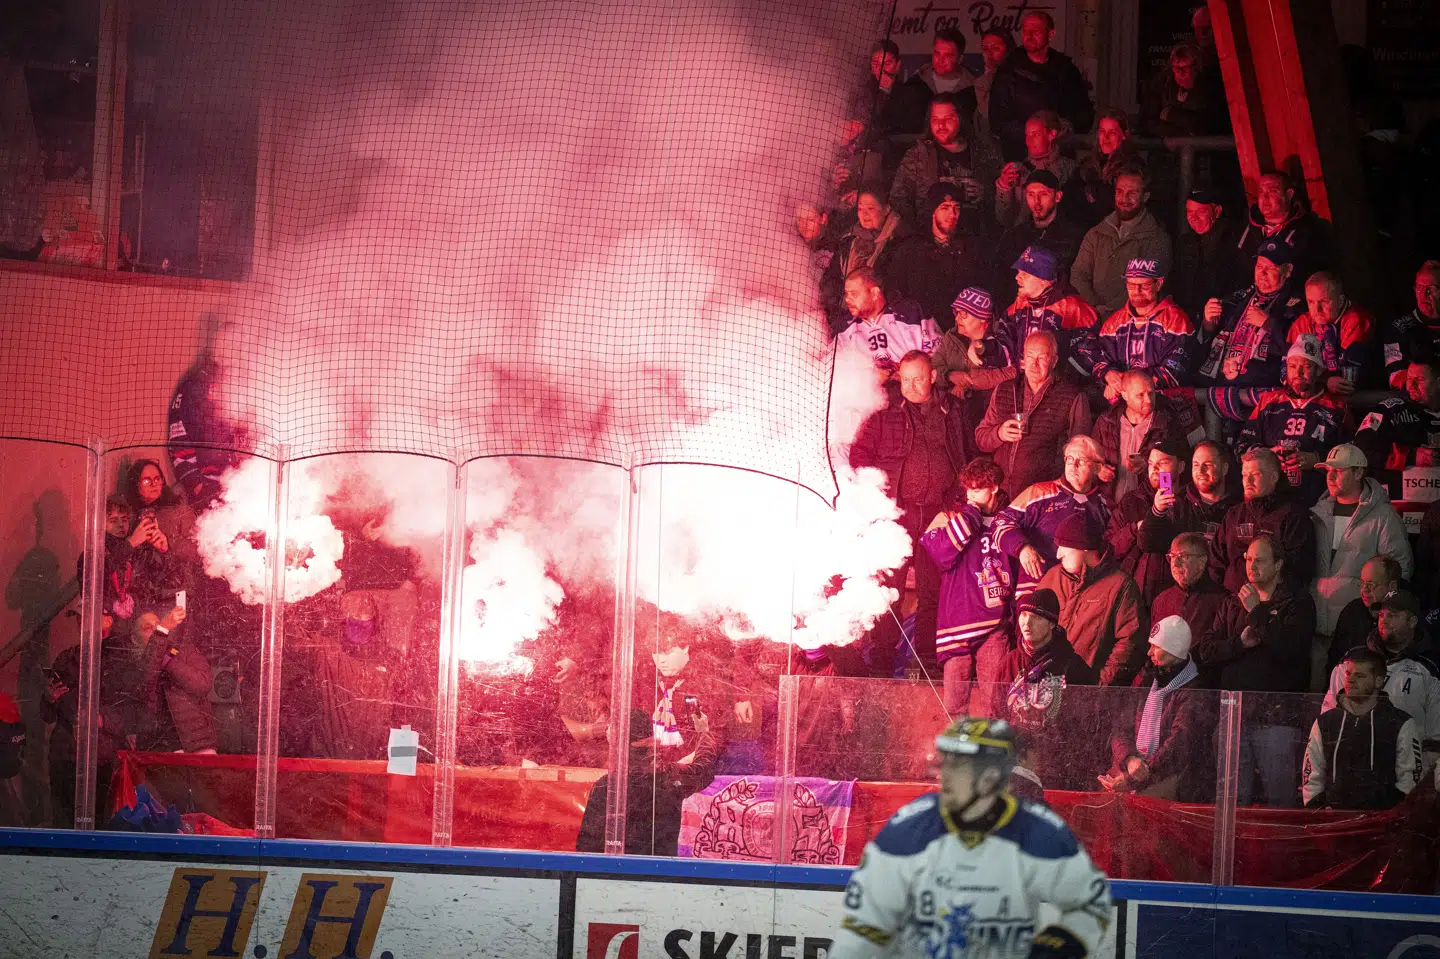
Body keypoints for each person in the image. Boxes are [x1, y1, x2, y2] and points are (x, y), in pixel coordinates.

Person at [833, 718, 1112, 959]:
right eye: (947, 763)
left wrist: (1056, 947)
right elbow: (864, 921)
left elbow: (1091, 901)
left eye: (962, 766)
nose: (947, 776)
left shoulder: (1039, 827)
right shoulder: (910, 826)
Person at [851, 351, 970, 671]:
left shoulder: (951, 409)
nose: (912, 386)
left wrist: (957, 502)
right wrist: (876, 495)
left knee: (932, 592)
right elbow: (859, 453)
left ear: (932, 376)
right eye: (905, 380)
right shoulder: (885, 411)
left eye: (918, 379)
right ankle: (881, 660)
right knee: (889, 588)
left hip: (937, 515)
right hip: (896, 515)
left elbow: (964, 456)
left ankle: (928, 661)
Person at [1196, 535, 1316, 806]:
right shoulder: (1232, 601)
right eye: (1248, 559)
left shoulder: (1297, 602)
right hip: (1234, 716)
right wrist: (1238, 644)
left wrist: (1257, 612)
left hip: (1276, 719)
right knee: (1231, 802)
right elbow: (1207, 650)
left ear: (1278, 565)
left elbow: (1290, 650)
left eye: (1260, 560)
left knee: (1279, 801)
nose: (1251, 566)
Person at [921, 458, 1017, 715]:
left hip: (994, 626)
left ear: (994, 487)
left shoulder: (1008, 520)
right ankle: (958, 755)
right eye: (968, 489)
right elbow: (940, 553)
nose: (970, 495)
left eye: (978, 489)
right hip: (955, 625)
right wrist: (971, 515)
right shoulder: (949, 517)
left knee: (994, 705)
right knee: (954, 707)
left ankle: (991, 754)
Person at [1320, 591, 1440, 771]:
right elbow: (1328, 718)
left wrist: (1425, 778)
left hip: (1407, 769)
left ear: (1412, 621)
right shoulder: (1351, 661)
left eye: (1393, 615)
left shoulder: (1430, 669)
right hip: (1354, 767)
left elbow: (1435, 735)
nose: (1384, 620)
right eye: (1382, 614)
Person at [576, 707, 717, 857]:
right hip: (659, 870)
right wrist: (703, 732)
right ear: (650, 740)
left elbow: (586, 846)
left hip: (612, 873)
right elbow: (703, 770)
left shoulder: (605, 786)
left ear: (615, 742)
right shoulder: (667, 778)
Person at [1196, 240, 1306, 426]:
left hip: (1263, 393)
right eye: (1259, 266)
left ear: (1287, 271)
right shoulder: (1238, 298)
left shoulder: (1298, 305)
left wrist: (1268, 323)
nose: (1262, 273)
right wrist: (1208, 322)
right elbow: (1205, 341)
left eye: (1270, 268)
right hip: (1224, 386)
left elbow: (1299, 348)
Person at [1311, 445, 1413, 646]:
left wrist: (1377, 617)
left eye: (1338, 471)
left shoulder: (1384, 517)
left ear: (1358, 472)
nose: (1330, 477)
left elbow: (1400, 571)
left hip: (1360, 634)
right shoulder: (1316, 514)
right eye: (1328, 471)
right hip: (1316, 630)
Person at [1102, 616, 1212, 800]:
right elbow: (1120, 727)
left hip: (1167, 779)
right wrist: (1129, 759)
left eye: (1156, 646)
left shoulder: (1194, 691)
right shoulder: (1148, 680)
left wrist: (1133, 778)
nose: (1149, 652)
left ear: (1173, 650)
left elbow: (1178, 746)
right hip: (1133, 768)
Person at [1235, 333, 1350, 505]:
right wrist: (1268, 455)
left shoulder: (1337, 406)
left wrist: (1318, 460)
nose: (1298, 373)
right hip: (1268, 502)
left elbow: (1352, 454)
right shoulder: (1268, 402)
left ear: (1319, 370)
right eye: (1292, 366)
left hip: (1318, 502)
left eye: (1306, 366)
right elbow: (1241, 447)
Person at [1034, 513, 1147, 687]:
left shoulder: (1120, 585)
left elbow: (1130, 642)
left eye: (1064, 546)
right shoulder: (1052, 577)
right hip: (1046, 691)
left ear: (1084, 548)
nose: (1058, 554)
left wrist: (1100, 686)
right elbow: (1031, 625)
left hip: (1088, 695)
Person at [974, 331, 1090, 497]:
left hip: (1045, 495)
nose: (1034, 364)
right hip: (1001, 494)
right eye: (1030, 356)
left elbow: (1082, 453)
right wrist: (999, 433)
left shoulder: (1072, 396)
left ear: (1054, 361)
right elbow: (981, 439)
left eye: (1042, 358)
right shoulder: (1004, 389)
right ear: (1023, 359)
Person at [1303, 648, 1421, 810]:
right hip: (1333, 822)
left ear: (1379, 681)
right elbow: (1312, 778)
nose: (1350, 680)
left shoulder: (1400, 723)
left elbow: (1410, 779)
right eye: (1348, 674)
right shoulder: (1325, 723)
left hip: (1382, 824)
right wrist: (1319, 811)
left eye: (1360, 676)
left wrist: (1390, 815)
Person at [994, 435, 1111, 582]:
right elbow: (1000, 522)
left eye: (1081, 461)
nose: (1073, 465)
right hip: (1038, 585)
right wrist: (1022, 548)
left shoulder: (1102, 502)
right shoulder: (1039, 492)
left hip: (1083, 588)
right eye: (1069, 459)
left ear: (1097, 468)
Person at [990, 10, 1096, 161]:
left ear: (1050, 34)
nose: (1029, 35)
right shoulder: (1008, 71)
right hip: (1021, 156)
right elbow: (998, 122)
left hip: (1060, 157)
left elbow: (1084, 113)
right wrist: (1035, 133)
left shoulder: (1066, 70)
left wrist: (1065, 127)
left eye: (1036, 31)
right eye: (1025, 31)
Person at [1071, 168, 1174, 319]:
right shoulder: (1096, 233)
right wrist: (1093, 307)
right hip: (1092, 319)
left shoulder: (1157, 238)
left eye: (1132, 193)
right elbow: (1078, 274)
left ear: (1145, 196)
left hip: (1134, 324)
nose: (1124, 198)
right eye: (1119, 191)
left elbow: (1150, 284)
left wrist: (1114, 313)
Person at [1210, 448, 1317, 592]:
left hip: (1274, 608)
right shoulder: (1234, 515)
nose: (1248, 480)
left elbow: (1300, 570)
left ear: (1274, 477)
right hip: (1233, 605)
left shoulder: (1293, 517)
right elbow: (1216, 563)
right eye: (1244, 475)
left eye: (1255, 474)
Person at [885, 182, 989, 327]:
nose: (952, 214)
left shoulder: (970, 249)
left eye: (956, 208)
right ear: (932, 211)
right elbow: (894, 291)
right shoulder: (911, 249)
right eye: (945, 208)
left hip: (960, 331)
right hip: (920, 330)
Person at [1108, 437, 1195, 605]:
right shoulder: (1131, 501)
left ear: (1181, 466)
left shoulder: (1190, 503)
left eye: (1162, 463)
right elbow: (1111, 548)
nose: (1154, 469)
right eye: (1150, 463)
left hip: (1173, 596)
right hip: (1131, 595)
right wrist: (1136, 528)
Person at [1090, 259, 1196, 396]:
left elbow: (1175, 371)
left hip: (1163, 403)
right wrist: (1108, 375)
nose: (1137, 291)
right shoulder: (1113, 323)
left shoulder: (1177, 320)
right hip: (1121, 402)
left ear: (1158, 284)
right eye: (1131, 285)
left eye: (1144, 285)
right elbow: (1099, 361)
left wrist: (1128, 385)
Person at [890, 96, 993, 235]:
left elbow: (1005, 195)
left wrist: (987, 192)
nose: (941, 125)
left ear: (960, 119)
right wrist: (917, 233)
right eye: (935, 120)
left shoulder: (983, 152)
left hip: (975, 237)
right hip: (929, 238)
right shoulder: (917, 156)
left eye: (948, 119)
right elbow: (898, 199)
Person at [997, 245, 1100, 379]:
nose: (1017, 277)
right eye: (1018, 272)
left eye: (1025, 273)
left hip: (1060, 391)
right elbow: (1004, 347)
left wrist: (1057, 378)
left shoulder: (1075, 309)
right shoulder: (1018, 306)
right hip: (1023, 386)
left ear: (1043, 279)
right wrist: (982, 348)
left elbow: (1090, 356)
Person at [992, 170, 1086, 307]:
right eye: (1031, 194)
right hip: (1017, 313)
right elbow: (1000, 279)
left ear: (1058, 196)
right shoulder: (1014, 236)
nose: (1036, 201)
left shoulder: (1074, 236)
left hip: (1057, 312)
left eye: (1043, 194)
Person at [822, 192, 908, 335]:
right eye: (860, 209)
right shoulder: (848, 242)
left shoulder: (899, 244)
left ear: (886, 209)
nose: (864, 214)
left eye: (870, 208)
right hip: (844, 319)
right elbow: (831, 282)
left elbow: (896, 290)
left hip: (884, 324)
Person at [1093, 372, 1186, 502]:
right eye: (1140, 395)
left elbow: (1182, 465)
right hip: (1109, 506)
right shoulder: (1106, 421)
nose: (1148, 400)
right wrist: (1098, 469)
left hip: (1150, 505)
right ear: (1125, 395)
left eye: (1151, 393)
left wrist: (1148, 464)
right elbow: (1089, 458)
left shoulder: (1167, 423)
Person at [121, 459, 200, 611]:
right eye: (146, 480)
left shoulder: (180, 512)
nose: (154, 484)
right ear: (135, 484)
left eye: (157, 479)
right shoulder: (127, 516)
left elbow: (197, 553)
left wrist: (168, 544)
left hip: (175, 593)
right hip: (139, 598)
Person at [930, 287, 1016, 427]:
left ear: (982, 318)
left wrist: (969, 381)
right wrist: (950, 376)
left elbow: (1012, 372)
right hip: (954, 415)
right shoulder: (950, 338)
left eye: (963, 313)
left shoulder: (999, 344)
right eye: (956, 312)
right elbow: (933, 368)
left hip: (988, 416)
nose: (957, 318)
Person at [1154, 532, 1231, 687]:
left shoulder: (1223, 601)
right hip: (1165, 687)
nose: (1175, 564)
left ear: (1202, 561)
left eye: (1183, 557)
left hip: (1203, 687)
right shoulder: (1161, 600)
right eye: (1172, 556)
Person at [835, 267, 940, 381]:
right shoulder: (843, 328)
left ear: (874, 293)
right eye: (846, 294)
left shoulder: (911, 313)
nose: (847, 300)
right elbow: (832, 372)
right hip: (869, 396)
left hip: (914, 393)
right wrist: (867, 377)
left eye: (854, 294)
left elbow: (939, 356)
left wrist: (906, 375)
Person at [1286, 272, 1373, 395]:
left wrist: (1320, 381)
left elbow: (1347, 377)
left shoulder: (1357, 320)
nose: (1317, 310)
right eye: (1311, 302)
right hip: (1316, 391)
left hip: (1360, 393)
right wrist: (1325, 381)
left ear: (1341, 300)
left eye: (1325, 301)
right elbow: (1286, 370)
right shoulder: (1302, 322)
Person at [1235, 170, 1333, 279]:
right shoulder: (1243, 227)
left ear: (1289, 194)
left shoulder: (1309, 232)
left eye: (1272, 191)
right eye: (1261, 192)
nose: (1265, 197)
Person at [1355, 358, 1440, 475]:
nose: (1411, 386)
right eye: (1409, 379)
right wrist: (1409, 457)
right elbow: (1361, 445)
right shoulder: (1388, 409)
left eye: (1419, 380)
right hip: (1398, 488)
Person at [1171, 187, 1246, 321]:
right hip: (1187, 319)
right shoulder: (1185, 243)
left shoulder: (1234, 243)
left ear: (1217, 212)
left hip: (1219, 321)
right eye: (1189, 212)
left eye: (1200, 212)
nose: (1193, 218)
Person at [995, 111, 1080, 227]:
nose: (1029, 141)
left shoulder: (1070, 169)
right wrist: (1004, 188)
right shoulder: (1016, 171)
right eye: (1027, 135)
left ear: (1051, 135)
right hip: (1022, 239)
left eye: (1035, 135)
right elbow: (1004, 219)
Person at [1326, 554, 1403, 674]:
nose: (1364, 590)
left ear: (1392, 586)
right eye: (1362, 583)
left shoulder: (1404, 616)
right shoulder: (1352, 611)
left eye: (1371, 585)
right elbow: (1335, 656)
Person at [1141, 42, 1229, 137]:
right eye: (1176, 68)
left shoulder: (1210, 88)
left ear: (1196, 68)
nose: (1180, 73)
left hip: (1205, 147)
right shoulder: (1164, 87)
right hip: (1170, 148)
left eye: (1185, 68)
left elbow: (1212, 123)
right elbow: (1148, 121)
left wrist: (1173, 115)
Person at [1072, 108, 1140, 227]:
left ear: (1124, 135)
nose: (1106, 137)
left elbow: (1117, 204)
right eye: (1102, 131)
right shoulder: (1088, 164)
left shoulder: (1133, 166)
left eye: (1112, 132)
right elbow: (1071, 194)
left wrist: (1095, 193)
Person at [1380, 261, 1440, 389]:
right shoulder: (1399, 328)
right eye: (1419, 288)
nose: (1423, 295)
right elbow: (1395, 375)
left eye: (1431, 289)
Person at [1184, 440, 1241, 543]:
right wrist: (1157, 512)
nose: (1201, 471)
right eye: (1196, 465)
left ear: (1224, 469)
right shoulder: (1179, 504)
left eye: (1208, 464)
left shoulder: (1239, 509)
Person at [972, 28, 1014, 155]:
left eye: (995, 48)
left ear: (1008, 50)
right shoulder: (977, 83)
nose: (989, 54)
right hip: (985, 152)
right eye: (985, 49)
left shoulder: (1016, 81)